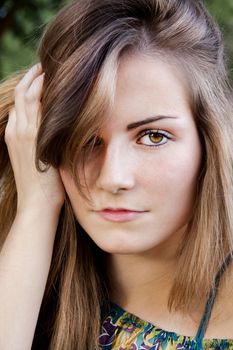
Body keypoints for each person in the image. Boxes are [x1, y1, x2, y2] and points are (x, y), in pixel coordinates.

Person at [0, 0, 233, 349]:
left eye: (154, 137)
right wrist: (36, 209)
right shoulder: (25, 265)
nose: (113, 177)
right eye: (87, 139)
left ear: (209, 141)